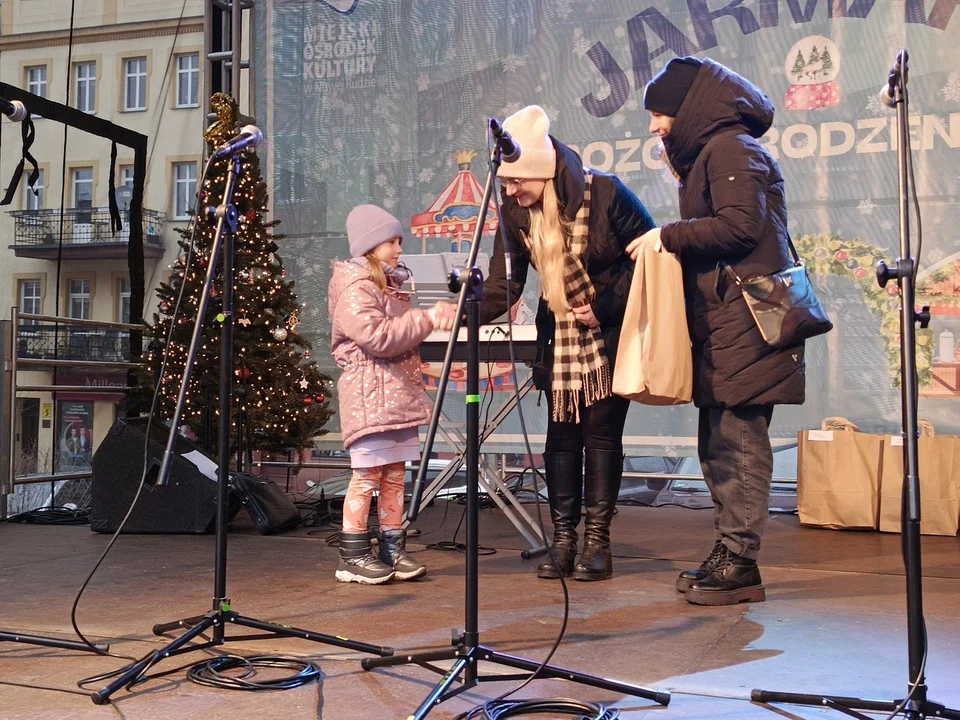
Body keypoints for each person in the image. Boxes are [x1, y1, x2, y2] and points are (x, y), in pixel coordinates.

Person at [629, 57, 805, 605]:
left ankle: (741, 560)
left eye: (661, 113)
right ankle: (730, 550)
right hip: (731, 318)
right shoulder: (715, 151)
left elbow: (739, 226)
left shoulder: (731, 148)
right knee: (720, 441)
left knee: (739, 439)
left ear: (690, 108)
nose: (656, 125)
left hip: (751, 318)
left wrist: (668, 236)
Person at [480, 106, 657, 582]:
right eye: (507, 184)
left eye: (519, 182)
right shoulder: (516, 211)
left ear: (542, 170)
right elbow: (505, 284)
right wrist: (456, 316)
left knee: (600, 435)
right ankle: (563, 540)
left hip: (610, 332)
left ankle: (598, 544)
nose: (512, 192)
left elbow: (653, 259)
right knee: (560, 436)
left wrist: (606, 307)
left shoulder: (607, 194)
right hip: (559, 334)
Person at [328, 204, 454, 585]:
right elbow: (378, 338)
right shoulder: (355, 288)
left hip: (394, 394)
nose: (399, 248)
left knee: (395, 476)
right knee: (366, 476)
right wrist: (428, 318)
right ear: (370, 245)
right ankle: (353, 553)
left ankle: (391, 546)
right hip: (370, 394)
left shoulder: (389, 286)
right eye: (392, 241)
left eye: (399, 240)